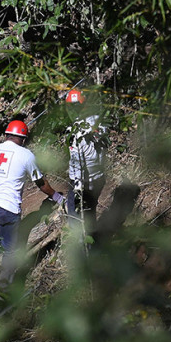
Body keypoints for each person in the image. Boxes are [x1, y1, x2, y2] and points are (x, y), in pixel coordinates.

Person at [0, 119, 64, 284]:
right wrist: (57, 197)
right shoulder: (26, 155)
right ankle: (3, 290)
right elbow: (40, 183)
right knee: (11, 250)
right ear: (23, 139)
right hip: (8, 210)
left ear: (6, 135)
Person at [63, 88, 108, 233]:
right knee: (90, 212)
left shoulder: (74, 132)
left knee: (76, 217)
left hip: (83, 181)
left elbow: (77, 165)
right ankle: (93, 243)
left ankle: (82, 249)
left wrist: (77, 191)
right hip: (99, 177)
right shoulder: (98, 122)